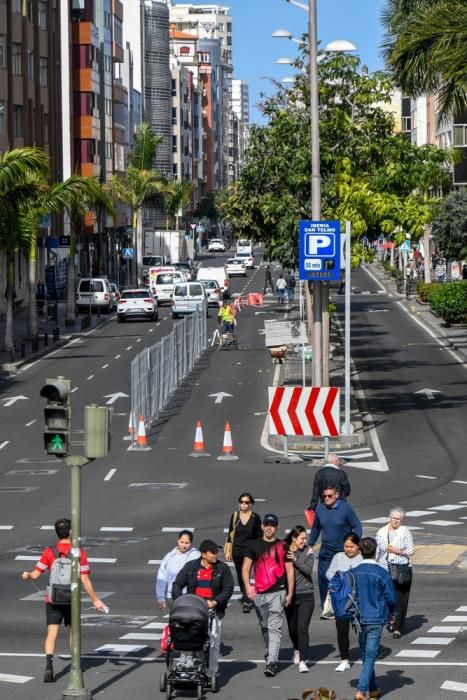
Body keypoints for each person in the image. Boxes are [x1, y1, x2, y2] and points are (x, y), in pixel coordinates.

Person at [21, 518, 106, 683]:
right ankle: (75, 664)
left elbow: (36, 574)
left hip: (52, 599)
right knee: (73, 632)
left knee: (51, 634)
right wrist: (96, 600)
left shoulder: (49, 551)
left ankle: (49, 665)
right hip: (71, 599)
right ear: (71, 532)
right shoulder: (78, 552)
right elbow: (85, 580)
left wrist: (27, 575)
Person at [242, 513, 294, 677]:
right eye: (266, 524)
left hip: (278, 592)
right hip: (259, 593)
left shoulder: (283, 546)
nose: (269, 527)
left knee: (274, 627)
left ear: (277, 527)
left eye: (272, 525)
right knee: (265, 626)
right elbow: (245, 569)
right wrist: (248, 587)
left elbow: (290, 571)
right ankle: (270, 649)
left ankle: (272, 662)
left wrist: (290, 593)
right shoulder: (253, 545)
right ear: (262, 526)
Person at [172, 539, 234, 675]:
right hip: (192, 609)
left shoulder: (222, 568)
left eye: (216, 552)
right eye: (212, 553)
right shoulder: (191, 567)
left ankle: (212, 672)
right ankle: (187, 665)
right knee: (187, 636)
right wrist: (179, 601)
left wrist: (215, 601)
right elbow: (177, 584)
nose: (215, 555)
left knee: (213, 642)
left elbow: (228, 588)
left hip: (213, 610)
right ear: (203, 554)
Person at [352, 537, 398, 700]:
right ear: (376, 551)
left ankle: (372, 689)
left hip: (357, 618)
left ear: (360, 551)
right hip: (375, 617)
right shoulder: (381, 573)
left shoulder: (354, 572)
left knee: (365, 655)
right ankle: (361, 689)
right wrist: (393, 613)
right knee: (370, 655)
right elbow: (391, 598)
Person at [308, 486, 362, 612]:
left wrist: (355, 544)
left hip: (342, 551)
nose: (326, 498)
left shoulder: (345, 508)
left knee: (344, 579)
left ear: (336, 495)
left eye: (329, 496)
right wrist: (310, 544)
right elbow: (316, 528)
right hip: (326, 551)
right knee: (323, 578)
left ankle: (345, 605)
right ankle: (326, 608)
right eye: (324, 496)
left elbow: (357, 526)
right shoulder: (320, 509)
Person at [326, 533, 363, 672]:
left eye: (352, 546)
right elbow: (329, 573)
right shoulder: (338, 556)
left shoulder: (362, 558)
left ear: (358, 546)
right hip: (341, 600)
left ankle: (365, 653)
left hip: (358, 600)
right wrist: (341, 577)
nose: (348, 549)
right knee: (342, 630)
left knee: (361, 629)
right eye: (346, 546)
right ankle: (344, 659)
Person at [376, 507, 414, 639]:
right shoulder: (381, 532)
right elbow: (379, 550)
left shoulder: (405, 532)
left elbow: (410, 551)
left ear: (401, 520)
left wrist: (397, 551)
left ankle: (398, 627)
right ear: (389, 517)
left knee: (401, 598)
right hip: (385, 568)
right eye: (394, 518)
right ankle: (391, 619)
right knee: (387, 597)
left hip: (401, 569)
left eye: (398, 518)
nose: (395, 520)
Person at [224, 492, 262, 613]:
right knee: (240, 575)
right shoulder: (235, 516)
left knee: (246, 572)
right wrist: (228, 550)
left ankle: (246, 600)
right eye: (241, 502)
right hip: (237, 549)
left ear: (250, 504)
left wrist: (259, 550)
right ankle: (245, 592)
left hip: (250, 550)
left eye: (246, 502)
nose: (243, 504)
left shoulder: (255, 517)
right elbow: (231, 533)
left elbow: (259, 536)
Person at [284, 525, 314, 673]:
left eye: (305, 538)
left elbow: (308, 570)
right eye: (302, 538)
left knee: (302, 628)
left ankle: (303, 660)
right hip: (289, 595)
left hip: (306, 594)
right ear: (294, 539)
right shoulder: (284, 550)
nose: (304, 541)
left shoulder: (308, 550)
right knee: (292, 628)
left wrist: (295, 559)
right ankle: (296, 648)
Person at [155, 530, 200, 610]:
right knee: (176, 620)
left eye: (187, 543)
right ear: (178, 541)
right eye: (181, 542)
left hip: (188, 596)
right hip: (171, 597)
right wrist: (160, 597)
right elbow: (162, 577)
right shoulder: (169, 556)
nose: (184, 545)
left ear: (191, 543)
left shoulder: (195, 555)